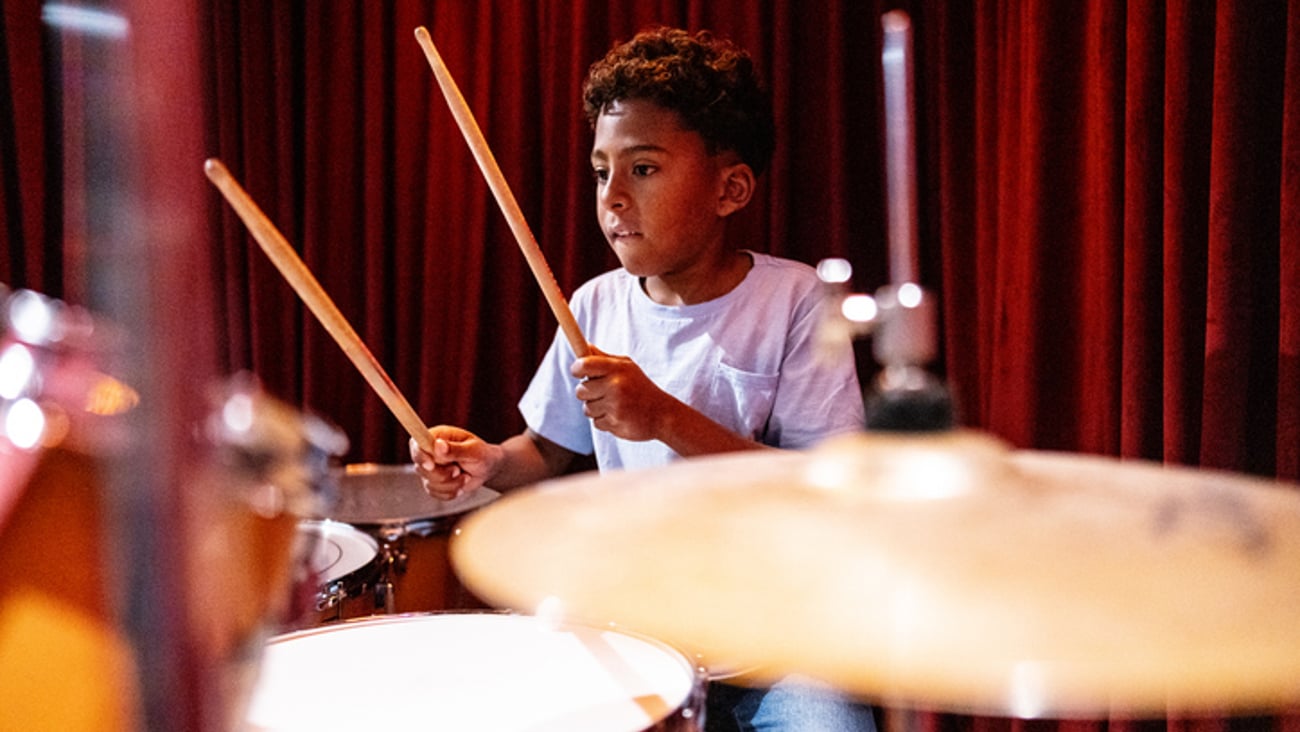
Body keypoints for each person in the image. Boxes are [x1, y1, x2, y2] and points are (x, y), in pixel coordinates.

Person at [411, 25, 876, 732]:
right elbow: (545, 454)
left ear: (731, 188)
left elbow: (824, 491)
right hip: (640, 634)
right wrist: (484, 463)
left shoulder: (799, 302)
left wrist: (664, 418)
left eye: (644, 168)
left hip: (784, 642)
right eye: (602, 171)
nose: (614, 196)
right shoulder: (594, 305)